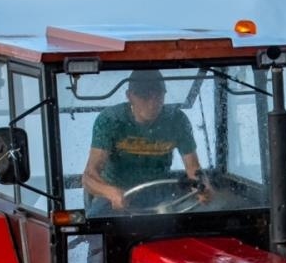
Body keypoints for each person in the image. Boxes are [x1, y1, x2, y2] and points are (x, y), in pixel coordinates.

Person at [81, 69, 211, 214]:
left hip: (160, 193)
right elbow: (89, 177)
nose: (152, 103)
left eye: (158, 96)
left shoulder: (177, 120)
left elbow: (193, 167)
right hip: (116, 193)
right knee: (96, 225)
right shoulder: (110, 120)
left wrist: (202, 187)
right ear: (129, 96)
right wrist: (110, 192)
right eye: (144, 97)